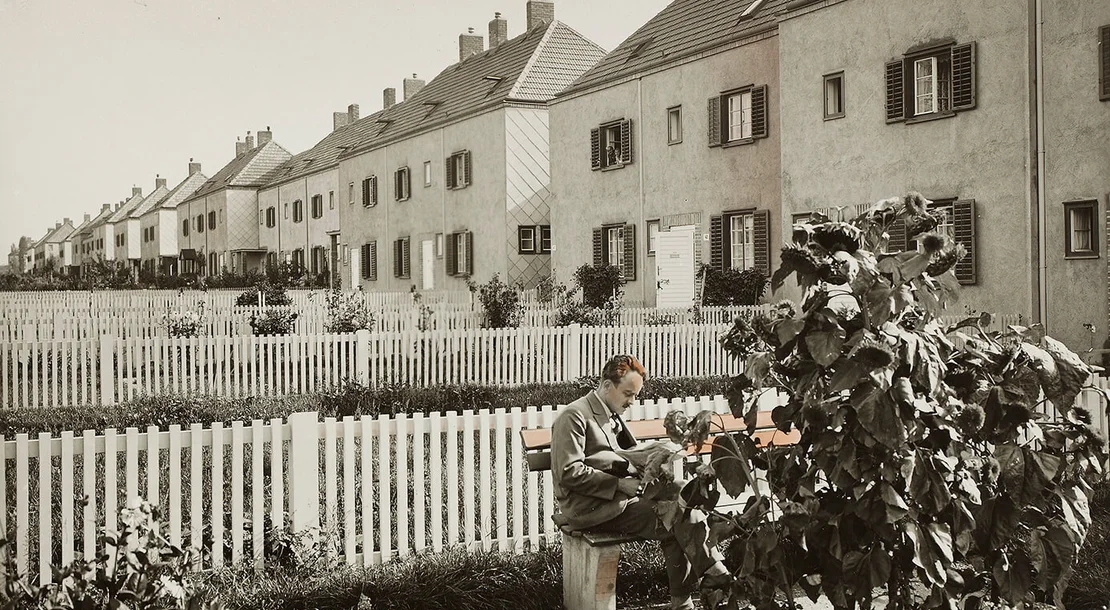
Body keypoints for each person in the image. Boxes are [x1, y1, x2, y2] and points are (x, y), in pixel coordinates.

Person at [550, 354, 732, 610]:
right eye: (627, 393)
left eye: (635, 395)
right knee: (677, 515)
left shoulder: (611, 414)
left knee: (685, 494)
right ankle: (710, 575)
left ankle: (693, 591)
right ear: (605, 385)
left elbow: (623, 457)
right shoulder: (574, 416)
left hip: (622, 498)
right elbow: (568, 472)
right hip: (592, 506)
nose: (631, 402)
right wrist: (618, 485)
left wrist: (654, 458)